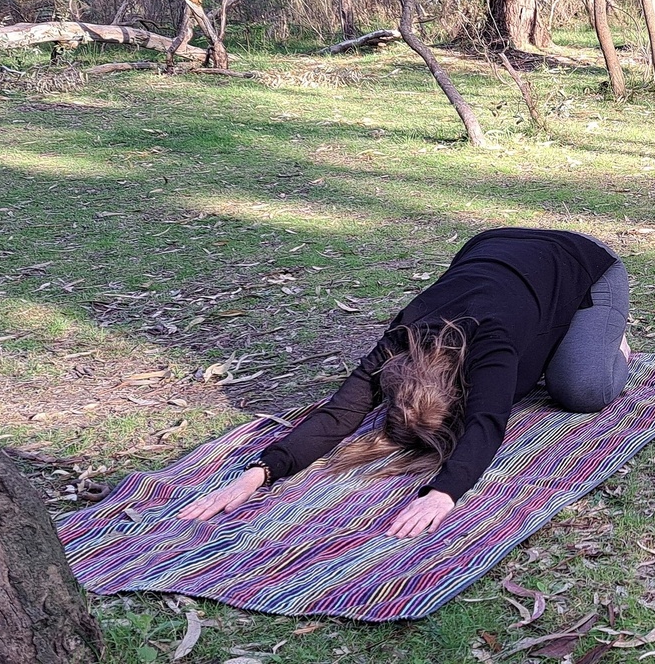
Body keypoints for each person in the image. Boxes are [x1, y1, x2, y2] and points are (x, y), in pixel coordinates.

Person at [176, 228, 631, 538]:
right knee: (527, 369)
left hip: (586, 263)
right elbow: (340, 413)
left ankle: (610, 341)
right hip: (492, 247)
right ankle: (563, 330)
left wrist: (444, 492)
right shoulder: (401, 337)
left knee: (580, 390)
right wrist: (261, 472)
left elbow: (487, 423)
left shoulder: (491, 343)